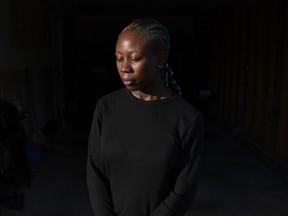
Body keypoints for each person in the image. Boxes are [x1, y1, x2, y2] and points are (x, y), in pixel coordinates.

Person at [87, 17, 204, 216]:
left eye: (134, 58)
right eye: (119, 58)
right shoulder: (106, 107)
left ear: (160, 59)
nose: (125, 67)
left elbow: (184, 189)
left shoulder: (187, 119)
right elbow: (94, 171)